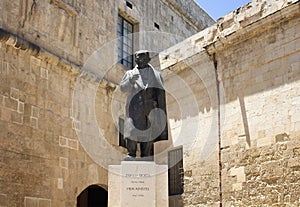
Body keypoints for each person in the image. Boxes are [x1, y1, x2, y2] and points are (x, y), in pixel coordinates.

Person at [120, 50, 168, 160]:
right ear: (135, 59)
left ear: (148, 60)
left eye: (143, 59)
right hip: (134, 108)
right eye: (138, 59)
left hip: (149, 108)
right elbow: (122, 88)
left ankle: (145, 155)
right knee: (131, 131)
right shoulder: (129, 74)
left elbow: (159, 92)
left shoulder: (156, 75)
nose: (140, 61)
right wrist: (130, 81)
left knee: (148, 133)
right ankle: (131, 154)